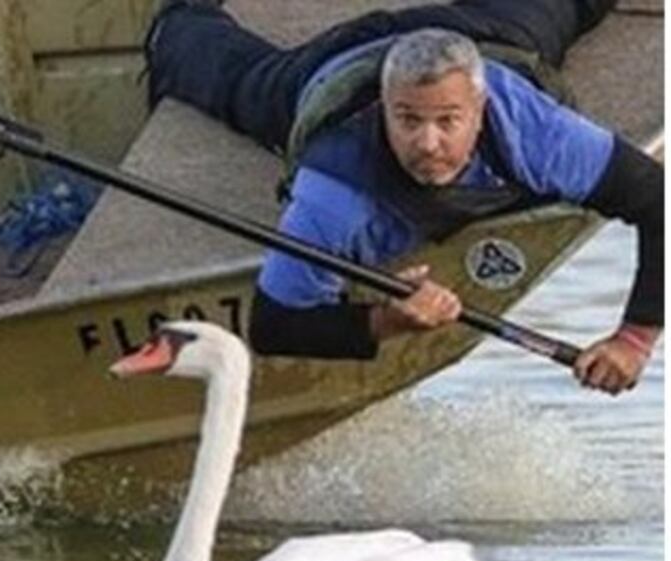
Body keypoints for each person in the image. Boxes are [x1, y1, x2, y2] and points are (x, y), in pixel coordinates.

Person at [145, 0, 663, 395]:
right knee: (203, 56)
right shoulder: (335, 192)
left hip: (484, 37)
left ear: (480, 110)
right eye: (409, 120)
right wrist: (386, 320)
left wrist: (634, 339)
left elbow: (657, 200)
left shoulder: (532, 130)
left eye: (448, 122)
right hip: (331, 70)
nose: (428, 143)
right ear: (384, 109)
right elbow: (273, 324)